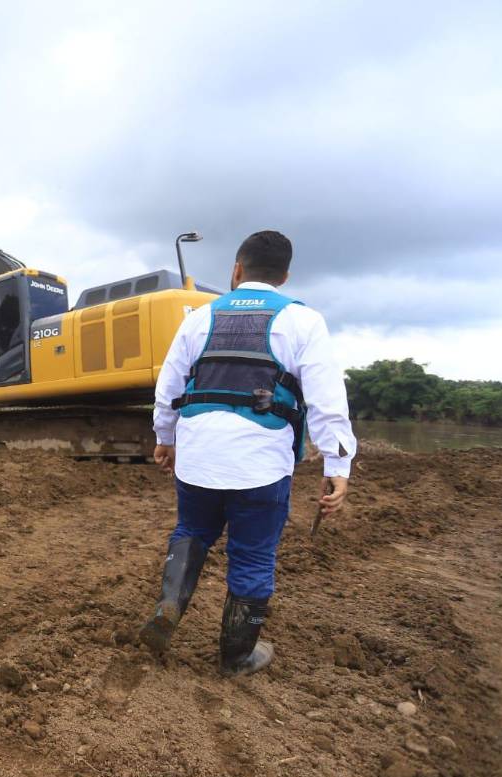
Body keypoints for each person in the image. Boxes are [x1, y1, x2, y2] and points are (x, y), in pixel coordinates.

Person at [140, 231, 356, 676]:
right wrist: (338, 466)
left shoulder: (198, 317)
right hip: (261, 466)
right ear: (285, 276)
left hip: (198, 458)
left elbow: (169, 387)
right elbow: (327, 401)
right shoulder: (304, 321)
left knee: (191, 530)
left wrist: (165, 438)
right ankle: (237, 656)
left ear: (236, 270)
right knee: (254, 555)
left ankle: (168, 605)